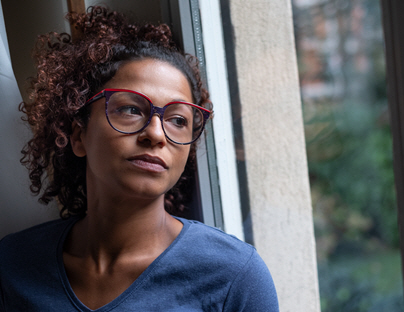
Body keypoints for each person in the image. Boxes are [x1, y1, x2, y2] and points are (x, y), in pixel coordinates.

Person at [0, 6, 278, 311]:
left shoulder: (235, 277)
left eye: (178, 120)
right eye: (131, 109)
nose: (157, 134)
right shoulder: (12, 266)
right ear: (78, 136)